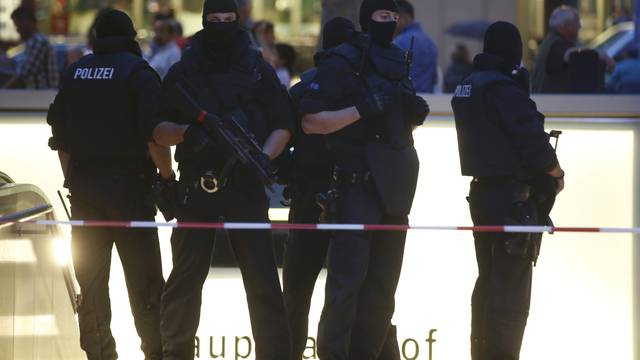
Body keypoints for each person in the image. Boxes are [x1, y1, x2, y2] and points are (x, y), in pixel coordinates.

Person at [151, 0, 293, 358]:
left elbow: (283, 124)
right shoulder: (184, 70)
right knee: (185, 281)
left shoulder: (256, 68)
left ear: (239, 20)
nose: (222, 26)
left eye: (228, 20)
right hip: (197, 183)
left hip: (246, 183)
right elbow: (157, 131)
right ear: (203, 22)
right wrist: (187, 132)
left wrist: (262, 156)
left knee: (262, 283)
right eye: (214, 20)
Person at [299, 0, 429, 358]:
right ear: (365, 18)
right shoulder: (343, 59)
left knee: (383, 291)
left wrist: (411, 111)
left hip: (396, 189)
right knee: (346, 287)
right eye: (380, 16)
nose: (388, 22)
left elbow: (396, 120)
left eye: (392, 16)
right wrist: (363, 108)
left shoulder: (395, 59)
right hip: (356, 185)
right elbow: (312, 122)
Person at [46, 9, 171, 360]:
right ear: (131, 36)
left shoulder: (76, 72)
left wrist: (73, 181)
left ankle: (100, 356)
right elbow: (155, 138)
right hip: (131, 193)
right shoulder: (138, 72)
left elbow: (61, 138)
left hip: (86, 193)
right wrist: (168, 180)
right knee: (146, 286)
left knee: (92, 287)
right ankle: (156, 354)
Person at [284, 16, 402, 360]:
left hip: (313, 196)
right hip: (350, 196)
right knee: (358, 290)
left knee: (299, 290)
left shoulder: (304, 86)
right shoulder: (365, 87)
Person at [451, 21, 565, 360]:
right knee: (510, 296)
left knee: (487, 283)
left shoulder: (469, 85)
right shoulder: (504, 90)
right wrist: (556, 173)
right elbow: (532, 143)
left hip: (482, 196)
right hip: (513, 200)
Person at [4, 6, 58, 89]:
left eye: (17, 25)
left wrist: (4, 89)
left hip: (42, 96)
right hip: (36, 96)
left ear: (26, 23)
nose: (17, 30)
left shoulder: (38, 42)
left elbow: (24, 73)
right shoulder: (31, 42)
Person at [532, 5, 580, 93]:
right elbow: (573, 55)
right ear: (566, 24)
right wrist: (601, 57)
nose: (580, 26)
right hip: (552, 102)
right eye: (576, 22)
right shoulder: (558, 45)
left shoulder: (550, 40)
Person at [393, 0, 438, 93]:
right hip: (428, 100)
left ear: (405, 17)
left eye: (395, 17)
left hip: (406, 100)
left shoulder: (399, 42)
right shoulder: (430, 42)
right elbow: (434, 78)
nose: (392, 23)